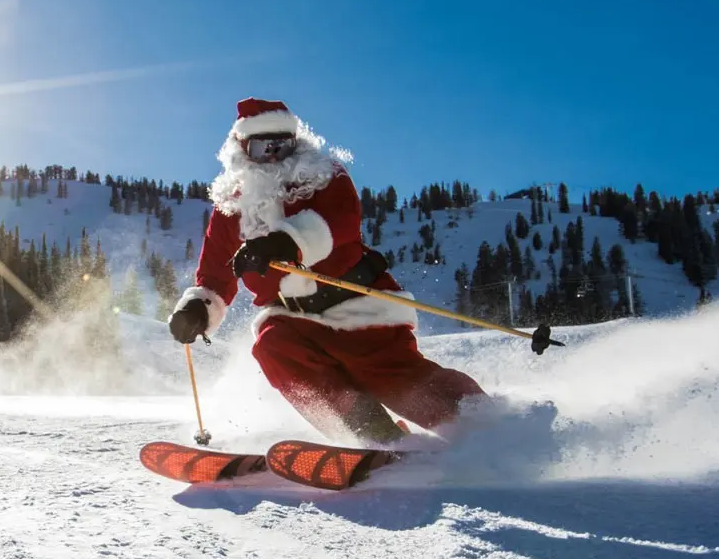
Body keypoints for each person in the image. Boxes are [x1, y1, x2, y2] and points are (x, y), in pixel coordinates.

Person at [168, 98, 483, 444]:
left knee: (394, 380)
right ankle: (376, 437)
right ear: (242, 150)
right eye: (262, 147)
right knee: (273, 347)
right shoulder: (230, 207)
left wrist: (285, 242)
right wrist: (198, 306)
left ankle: (486, 425)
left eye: (282, 145)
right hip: (292, 317)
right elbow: (215, 272)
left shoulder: (324, 176)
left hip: (356, 304)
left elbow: (342, 220)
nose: (273, 155)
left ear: (296, 143)